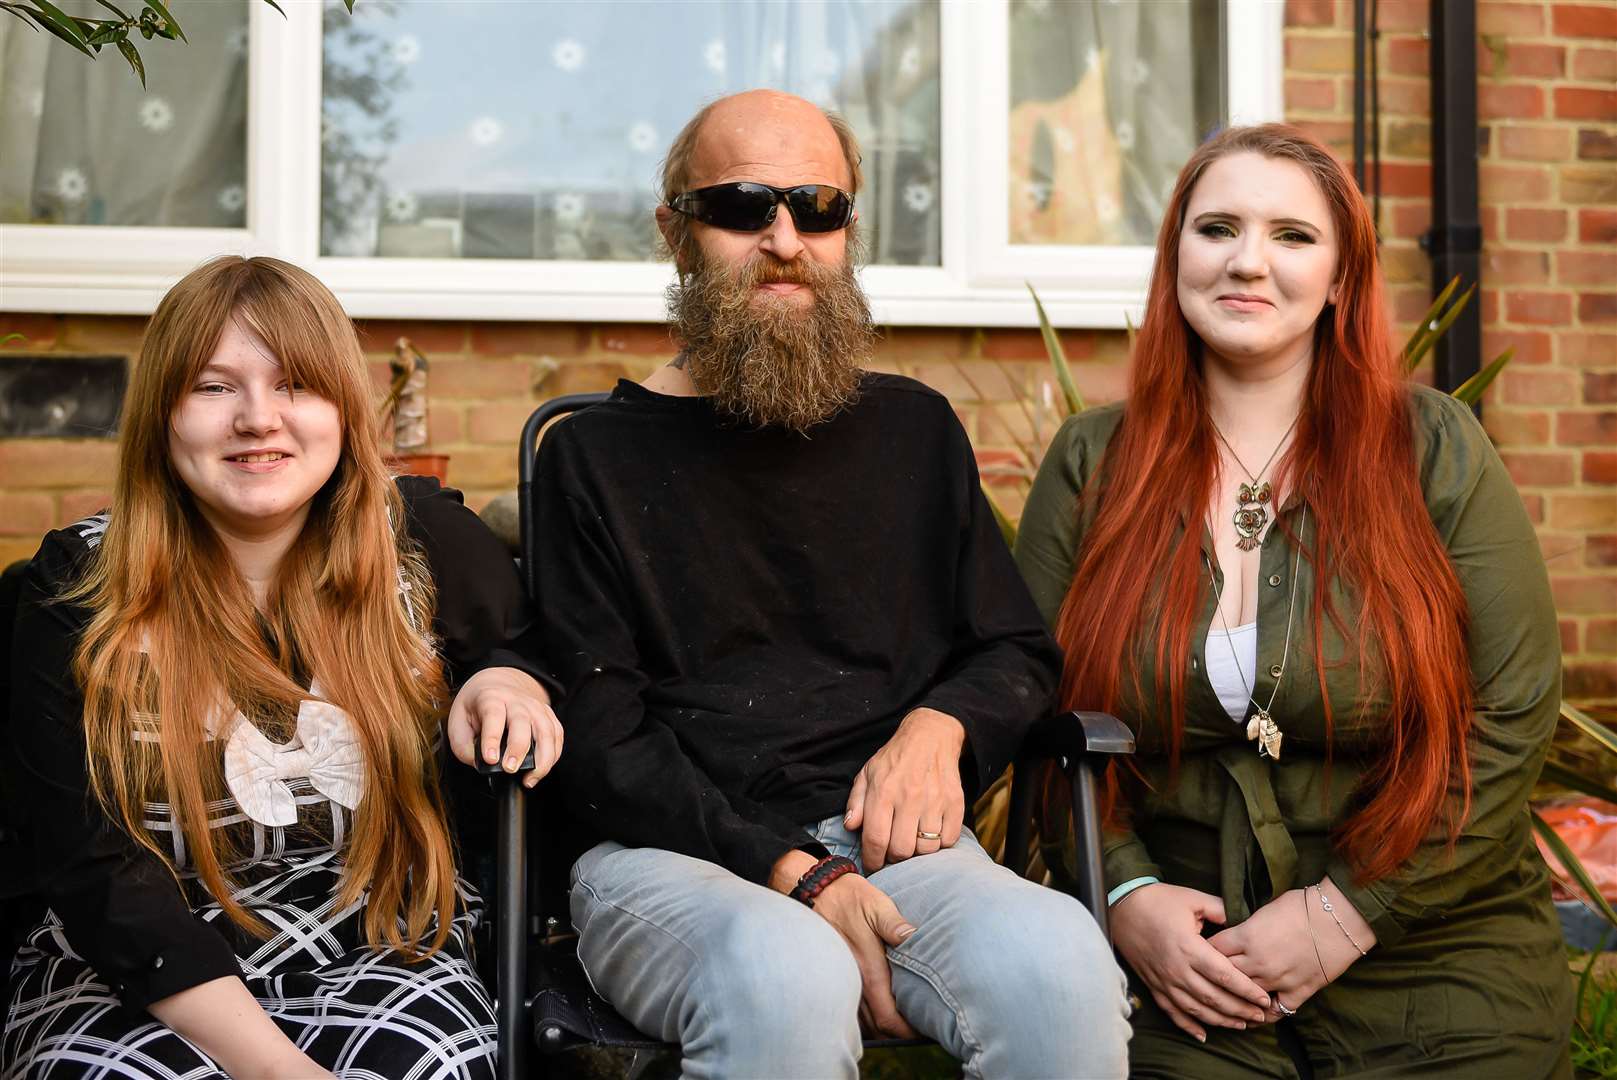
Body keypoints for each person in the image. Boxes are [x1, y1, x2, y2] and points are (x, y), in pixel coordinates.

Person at [533, 90, 1130, 1078]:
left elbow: (1015, 648)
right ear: (675, 233)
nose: (785, 239)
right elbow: (605, 741)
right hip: (676, 860)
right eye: (741, 206)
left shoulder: (916, 432)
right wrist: (798, 874)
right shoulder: (591, 456)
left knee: (1059, 962)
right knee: (784, 971)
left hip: (901, 855)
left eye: (818, 207)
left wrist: (939, 729)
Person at [1015, 123, 1573, 1077]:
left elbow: (1511, 712)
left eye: (1292, 236)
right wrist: (1126, 897)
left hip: (1431, 938)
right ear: (1175, 257)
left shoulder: (1431, 448)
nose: (1246, 262)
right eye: (1217, 228)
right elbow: (1031, 712)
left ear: (1341, 279)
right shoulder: (1090, 462)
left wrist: (1346, 913)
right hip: (1190, 963)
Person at [3, 256, 563, 1079]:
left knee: (427, 1064)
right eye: (213, 387)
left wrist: (503, 680)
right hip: (131, 962)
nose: (258, 419)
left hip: (382, 938)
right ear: (163, 414)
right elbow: (94, 872)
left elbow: (519, 645)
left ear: (342, 408)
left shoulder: (416, 541)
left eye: (295, 383)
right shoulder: (76, 590)